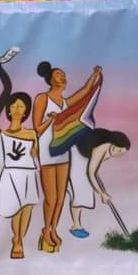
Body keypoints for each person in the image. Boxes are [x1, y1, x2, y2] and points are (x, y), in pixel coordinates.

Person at [32, 61, 102, 253]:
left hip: (63, 150)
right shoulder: (42, 98)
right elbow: (37, 128)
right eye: (58, 74)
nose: (62, 77)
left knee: (61, 197)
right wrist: (51, 120)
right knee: (51, 198)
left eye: (64, 75)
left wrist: (95, 75)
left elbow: (85, 91)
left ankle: (53, 228)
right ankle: (46, 229)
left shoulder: (65, 102)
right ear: (50, 79)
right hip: (47, 151)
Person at [0, 92, 40, 259]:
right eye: (13, 106)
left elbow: (36, 153)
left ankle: (20, 238)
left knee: (27, 208)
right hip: (11, 173)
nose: (16, 109)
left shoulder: (31, 134)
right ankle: (17, 241)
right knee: (16, 209)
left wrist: (35, 150)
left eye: (21, 106)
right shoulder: (1, 135)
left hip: (29, 173)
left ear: (25, 111)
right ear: (8, 109)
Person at [67, 128, 130, 238]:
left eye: (122, 153)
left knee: (85, 191)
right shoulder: (101, 148)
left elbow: (94, 169)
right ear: (113, 144)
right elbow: (91, 173)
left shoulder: (109, 149)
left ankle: (76, 225)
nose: (119, 154)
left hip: (86, 156)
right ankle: (76, 226)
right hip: (77, 153)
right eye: (119, 151)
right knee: (80, 190)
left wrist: (95, 171)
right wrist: (102, 194)